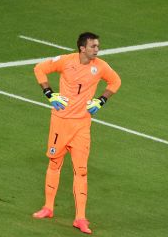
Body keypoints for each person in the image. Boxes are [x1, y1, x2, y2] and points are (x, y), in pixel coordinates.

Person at [32, 32, 122, 235]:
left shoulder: (100, 66)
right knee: (54, 164)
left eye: (97, 46)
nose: (96, 50)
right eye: (93, 46)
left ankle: (80, 218)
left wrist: (102, 100)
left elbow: (115, 82)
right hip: (60, 122)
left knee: (81, 171)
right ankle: (48, 208)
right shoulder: (66, 61)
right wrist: (48, 93)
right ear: (82, 48)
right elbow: (39, 69)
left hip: (82, 126)